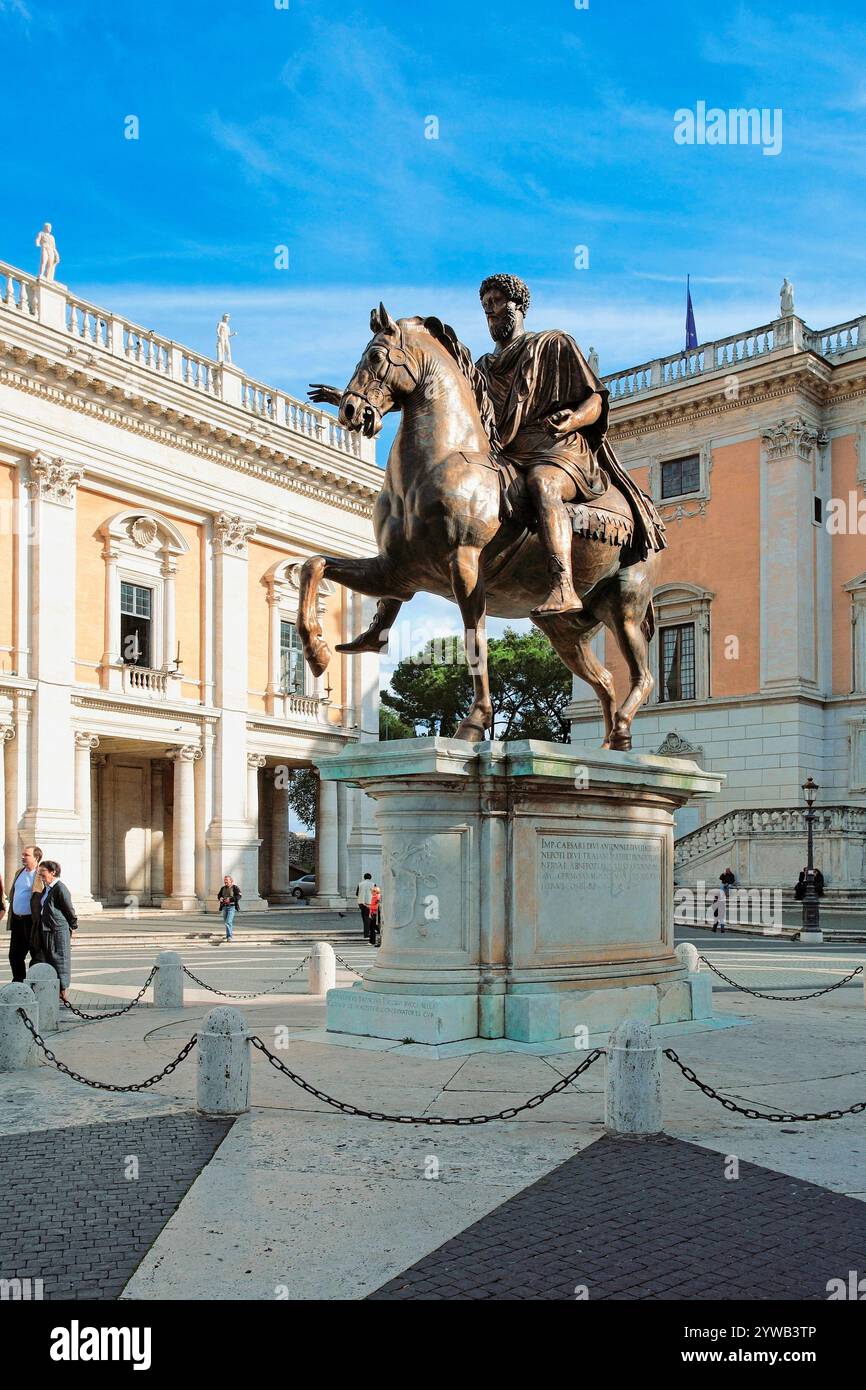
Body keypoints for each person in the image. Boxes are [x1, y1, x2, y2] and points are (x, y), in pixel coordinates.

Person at [36, 860, 77, 1002]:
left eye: (43, 872)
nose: (40, 875)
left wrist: (73, 925)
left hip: (58, 929)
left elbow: (68, 909)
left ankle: (62, 991)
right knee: (50, 959)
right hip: (47, 928)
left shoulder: (60, 888)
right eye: (39, 872)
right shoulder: (47, 888)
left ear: (53, 872)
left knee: (60, 959)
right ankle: (55, 989)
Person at [6, 845, 44, 982]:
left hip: (32, 921)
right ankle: (18, 981)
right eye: (23, 854)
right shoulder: (19, 872)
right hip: (17, 920)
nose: (23, 857)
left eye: (26, 855)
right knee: (14, 955)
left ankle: (36, 983)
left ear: (37, 857)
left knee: (36, 953)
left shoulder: (40, 875)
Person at [217, 875, 241, 940]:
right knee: (227, 922)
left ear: (231, 881)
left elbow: (239, 896)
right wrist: (220, 898)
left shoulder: (235, 888)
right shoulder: (223, 888)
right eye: (225, 880)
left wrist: (230, 900)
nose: (225, 881)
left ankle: (229, 936)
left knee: (228, 922)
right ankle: (228, 935)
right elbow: (219, 895)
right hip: (224, 907)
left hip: (231, 907)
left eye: (227, 880)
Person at [355, 872, 374, 939]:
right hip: (369, 903)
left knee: (365, 918)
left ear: (364, 877)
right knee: (370, 918)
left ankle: (366, 933)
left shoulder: (360, 884)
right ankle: (369, 933)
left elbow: (357, 893)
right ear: (370, 878)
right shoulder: (373, 884)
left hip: (361, 903)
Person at [368, 883, 382, 947]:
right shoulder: (375, 897)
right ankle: (374, 941)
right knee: (374, 927)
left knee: (375, 928)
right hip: (374, 914)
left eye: (373, 891)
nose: (371, 892)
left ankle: (374, 941)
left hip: (376, 914)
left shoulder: (377, 897)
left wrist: (370, 907)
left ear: (375, 891)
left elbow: (377, 906)